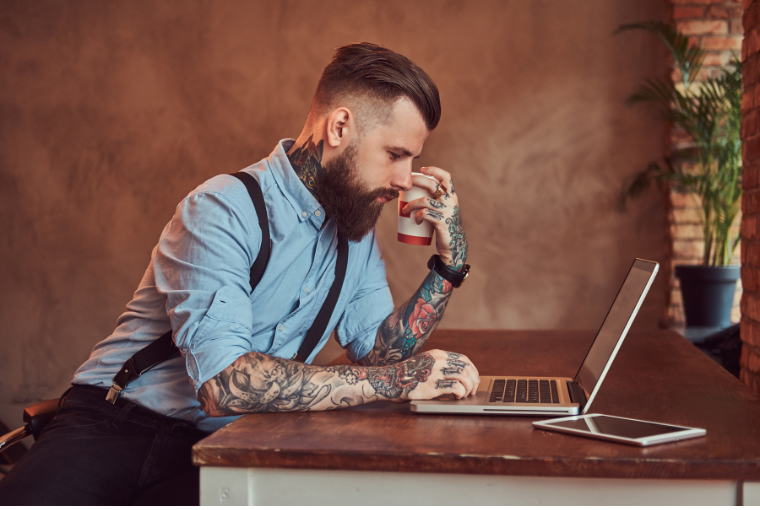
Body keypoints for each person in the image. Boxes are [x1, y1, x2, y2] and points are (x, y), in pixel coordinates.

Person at [0, 42, 478, 505]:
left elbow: (376, 354)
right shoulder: (222, 208)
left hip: (229, 442)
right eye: (395, 154)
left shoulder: (355, 232)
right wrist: (399, 381)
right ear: (339, 128)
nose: (404, 179)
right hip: (115, 424)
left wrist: (449, 265)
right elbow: (225, 384)